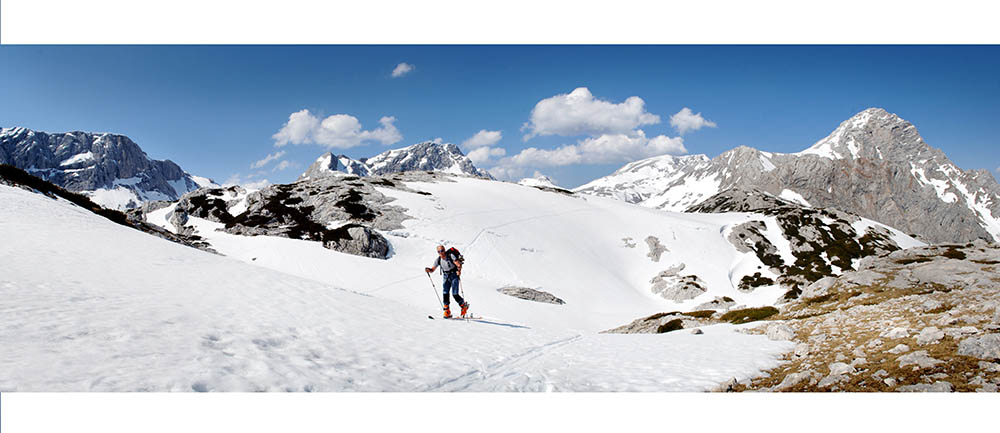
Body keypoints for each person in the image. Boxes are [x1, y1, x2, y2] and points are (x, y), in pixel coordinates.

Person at [425, 245, 468, 318]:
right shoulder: (438, 260)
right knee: (445, 293)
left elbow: (458, 264)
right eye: (439, 251)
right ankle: (447, 311)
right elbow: (432, 269)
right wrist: (429, 270)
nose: (441, 252)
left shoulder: (451, 255)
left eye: (442, 250)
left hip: (454, 275)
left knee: (455, 294)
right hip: (446, 276)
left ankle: (463, 306)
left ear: (444, 250)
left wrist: (459, 271)